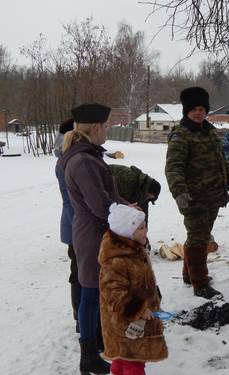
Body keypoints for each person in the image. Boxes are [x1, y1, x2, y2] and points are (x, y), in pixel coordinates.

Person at [61, 103, 128, 374]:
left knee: (94, 291)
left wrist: (127, 205)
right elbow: (100, 205)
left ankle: (96, 345)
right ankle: (88, 356)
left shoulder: (88, 155)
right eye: (107, 125)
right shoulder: (83, 160)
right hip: (92, 236)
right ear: (97, 127)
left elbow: (108, 196)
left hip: (95, 232)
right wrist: (126, 215)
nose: (108, 130)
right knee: (89, 293)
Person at [165, 86, 229, 300]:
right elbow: (173, 167)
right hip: (193, 198)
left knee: (199, 237)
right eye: (194, 109)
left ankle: (189, 275)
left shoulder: (209, 131)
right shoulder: (181, 135)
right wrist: (180, 193)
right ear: (186, 110)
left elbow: (221, 159)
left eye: (202, 109)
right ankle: (200, 283)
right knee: (198, 239)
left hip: (213, 196)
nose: (198, 113)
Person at [99, 203, 168, 375]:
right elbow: (113, 293)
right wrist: (139, 308)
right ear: (127, 232)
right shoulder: (116, 261)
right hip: (124, 321)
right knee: (134, 363)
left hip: (133, 321)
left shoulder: (134, 250)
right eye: (141, 228)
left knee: (123, 358)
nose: (146, 231)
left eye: (145, 227)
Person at [55, 118, 81, 332]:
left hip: (74, 225)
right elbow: (72, 202)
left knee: (79, 271)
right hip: (76, 226)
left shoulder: (68, 157)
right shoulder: (68, 161)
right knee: (79, 273)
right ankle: (80, 318)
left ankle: (80, 317)